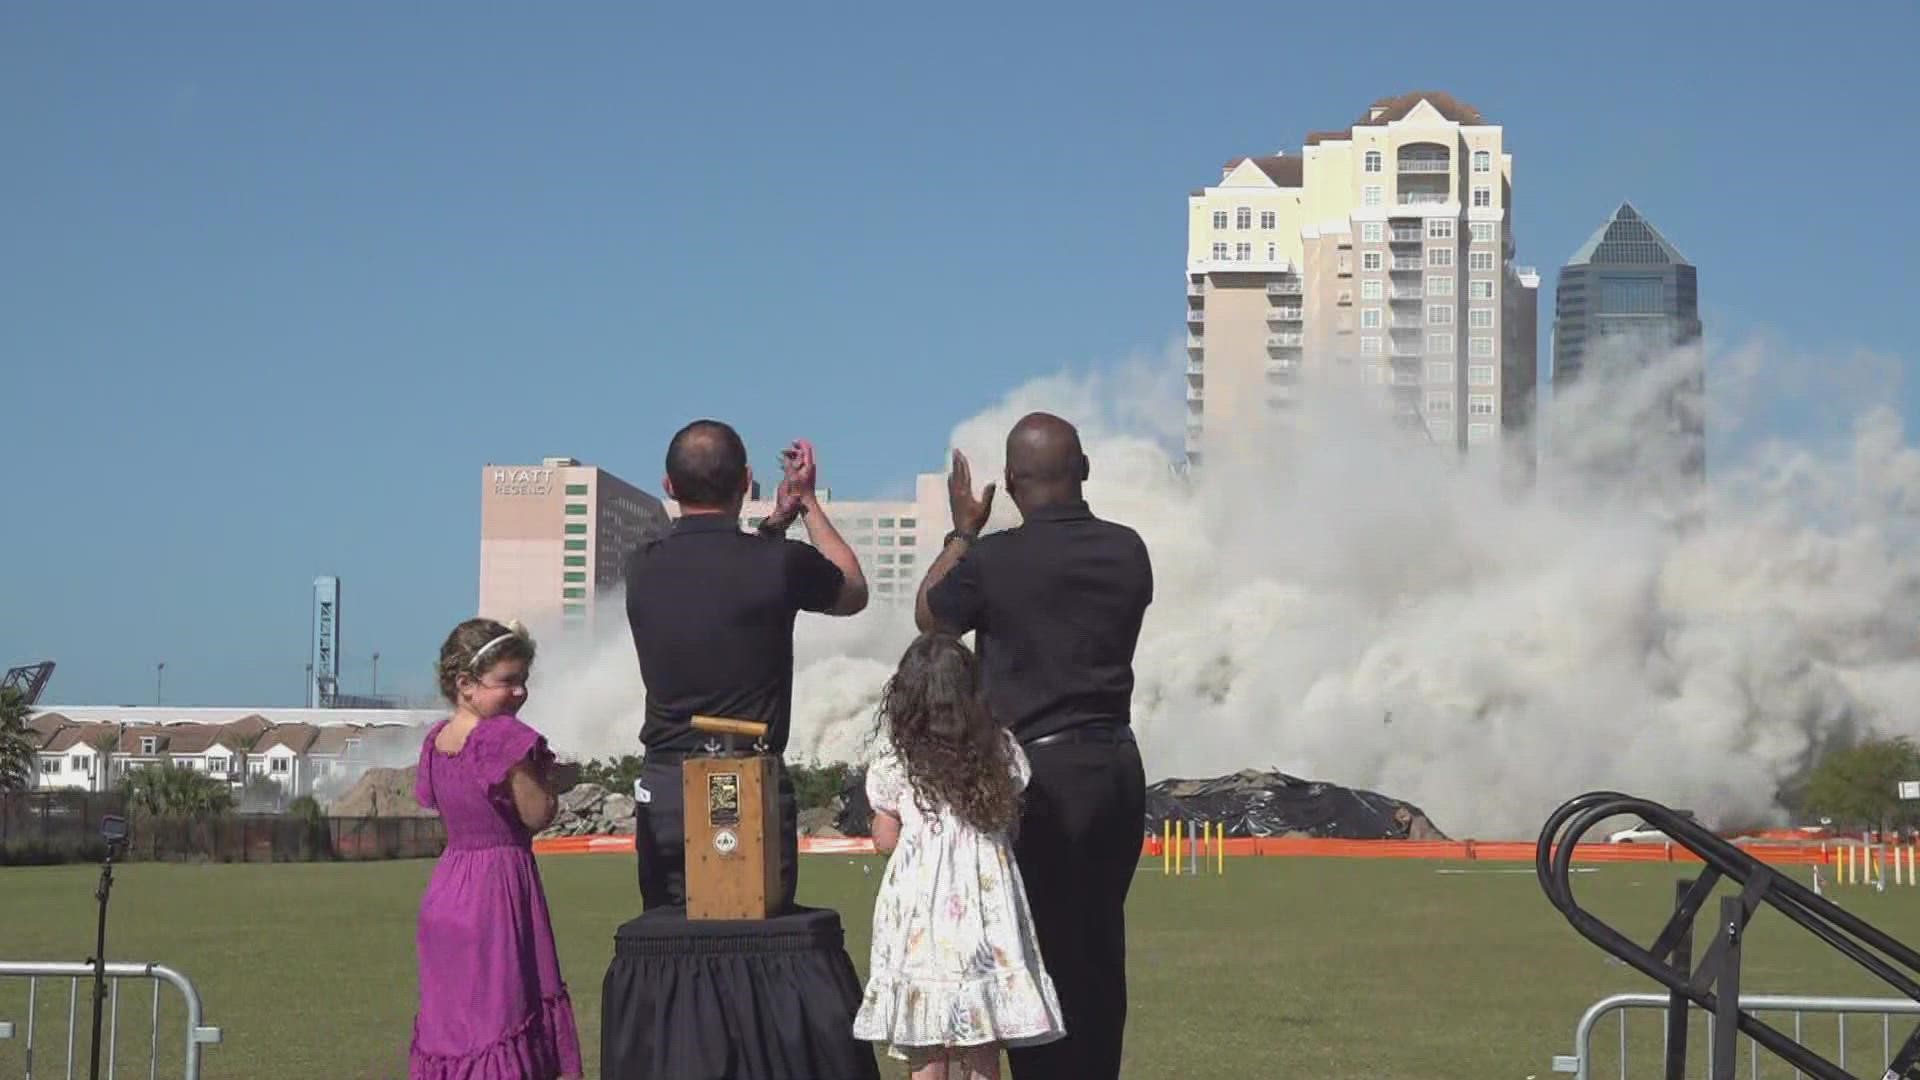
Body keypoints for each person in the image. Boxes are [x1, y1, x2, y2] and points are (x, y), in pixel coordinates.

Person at [915, 412, 1152, 1080]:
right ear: (1084, 469)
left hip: (1034, 778)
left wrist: (964, 530)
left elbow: (930, 619)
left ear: (1011, 484)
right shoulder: (1128, 550)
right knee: (1099, 950)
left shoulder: (992, 561)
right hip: (1115, 770)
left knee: (1032, 955)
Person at [624, 420, 867, 911]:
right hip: (750, 779)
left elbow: (728, 570)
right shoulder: (780, 564)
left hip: (667, 784)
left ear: (668, 486)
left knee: (668, 940)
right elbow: (852, 590)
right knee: (757, 940)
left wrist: (774, 524)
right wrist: (807, 504)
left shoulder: (643, 565)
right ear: (746, 481)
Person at [852, 633, 1065, 1079]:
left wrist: (884, 821)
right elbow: (1011, 819)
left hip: (920, 916)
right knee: (983, 1040)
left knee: (928, 1045)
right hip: (986, 910)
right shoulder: (1000, 751)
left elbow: (886, 841)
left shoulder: (897, 761)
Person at [410, 618, 583, 1080]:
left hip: (448, 890)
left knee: (455, 1025)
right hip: (497, 892)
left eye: (523, 681)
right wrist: (551, 779)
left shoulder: (436, 741)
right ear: (465, 684)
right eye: (508, 682)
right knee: (503, 1014)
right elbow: (537, 813)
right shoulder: (503, 737)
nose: (520, 693)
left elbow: (438, 799)